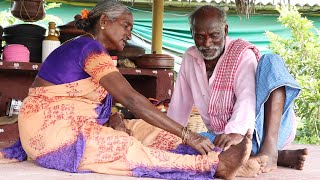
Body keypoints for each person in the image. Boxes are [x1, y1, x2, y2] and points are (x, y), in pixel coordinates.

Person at [0, 1, 263, 179]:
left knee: (145, 130)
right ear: (104, 21)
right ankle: (210, 164)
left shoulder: (93, 50)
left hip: (75, 125)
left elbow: (94, 99)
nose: (129, 34)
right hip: (53, 135)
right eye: (126, 26)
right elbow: (131, 99)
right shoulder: (86, 48)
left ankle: (220, 157)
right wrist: (187, 135)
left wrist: (114, 116)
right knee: (122, 145)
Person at [167, 5, 308, 173]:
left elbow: (247, 98)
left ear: (225, 30)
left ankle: (270, 150)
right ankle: (271, 155)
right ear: (192, 33)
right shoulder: (190, 58)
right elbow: (179, 104)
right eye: (200, 37)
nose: (207, 43)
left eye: (214, 35)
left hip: (262, 129)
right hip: (222, 137)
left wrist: (236, 133)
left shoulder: (241, 53)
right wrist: (169, 136)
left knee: (271, 60)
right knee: (187, 143)